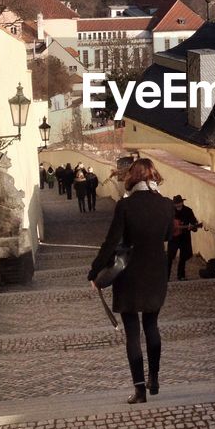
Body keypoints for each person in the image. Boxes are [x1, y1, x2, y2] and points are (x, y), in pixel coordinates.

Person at [88, 157, 174, 404]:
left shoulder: (125, 206)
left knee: (133, 333)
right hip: (156, 271)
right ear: (154, 177)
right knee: (152, 326)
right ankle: (154, 378)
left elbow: (111, 242)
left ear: (132, 178)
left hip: (129, 273)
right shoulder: (166, 205)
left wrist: (95, 272)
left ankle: (139, 390)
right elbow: (167, 235)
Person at [167, 195, 201, 281]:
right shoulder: (170, 211)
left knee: (183, 257)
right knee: (169, 257)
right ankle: (166, 277)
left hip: (184, 237)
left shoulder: (188, 211)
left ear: (182, 202)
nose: (177, 205)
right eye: (176, 204)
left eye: (179, 203)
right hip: (173, 237)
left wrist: (192, 227)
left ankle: (181, 276)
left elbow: (194, 224)